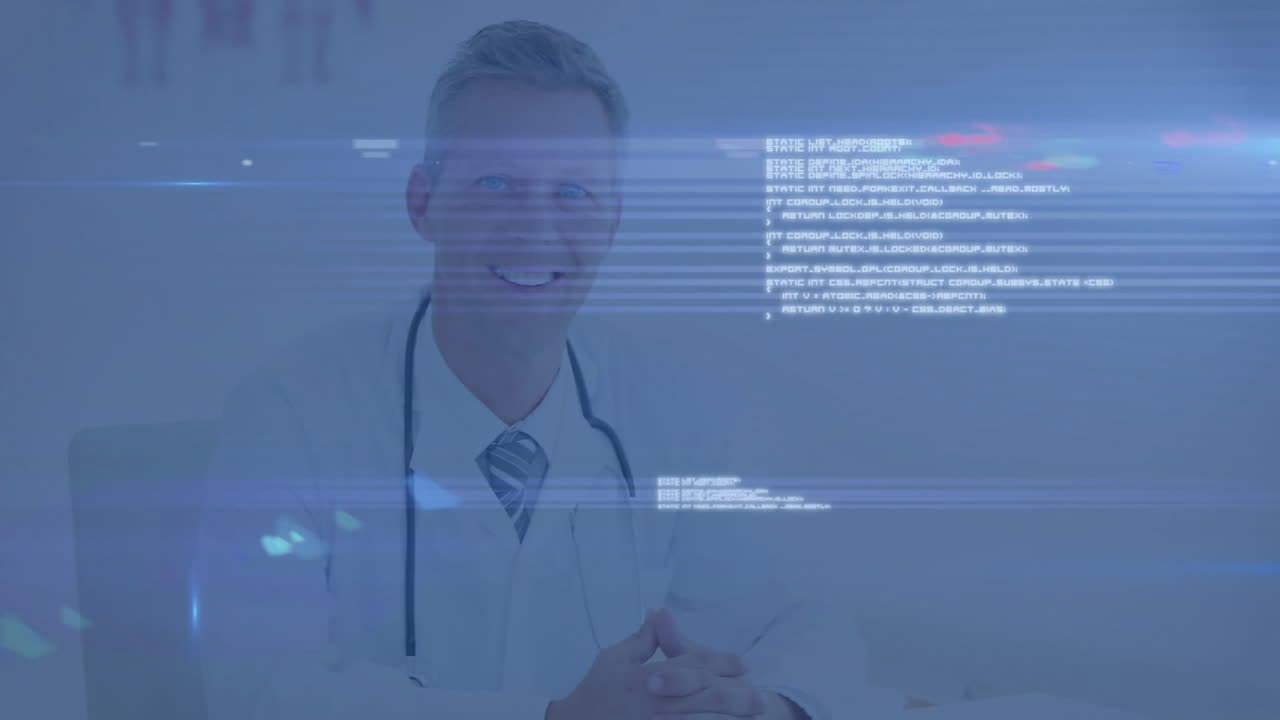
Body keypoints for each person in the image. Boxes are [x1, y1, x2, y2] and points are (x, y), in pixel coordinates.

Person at [196, 19, 901, 720]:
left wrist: (764, 704)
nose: (535, 227)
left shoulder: (673, 405)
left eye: (573, 193)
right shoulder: (291, 410)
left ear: (612, 222)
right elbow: (258, 690)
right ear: (423, 204)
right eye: (496, 183)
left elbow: (799, 618)